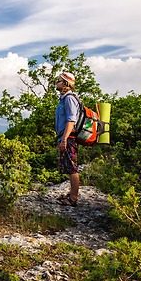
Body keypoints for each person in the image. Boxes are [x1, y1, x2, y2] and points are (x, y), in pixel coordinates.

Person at [55, 72, 79, 207]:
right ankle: (71, 195)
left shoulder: (69, 98)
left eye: (59, 81)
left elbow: (71, 120)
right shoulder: (64, 99)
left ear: (65, 83)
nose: (56, 83)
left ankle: (73, 198)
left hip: (69, 138)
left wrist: (64, 139)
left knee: (72, 168)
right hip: (65, 137)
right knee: (69, 167)